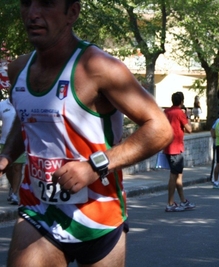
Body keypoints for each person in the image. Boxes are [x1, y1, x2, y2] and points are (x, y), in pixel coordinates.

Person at [1, 1, 173, 266]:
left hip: (99, 216)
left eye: (46, 4)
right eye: (26, 3)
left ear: (72, 12)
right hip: (39, 209)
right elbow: (26, 119)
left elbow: (160, 129)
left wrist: (94, 166)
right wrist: (6, 156)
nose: (33, 13)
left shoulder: (99, 67)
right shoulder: (19, 70)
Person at [163, 92, 196, 212]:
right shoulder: (180, 113)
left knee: (178, 176)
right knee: (173, 175)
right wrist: (187, 116)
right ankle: (170, 203)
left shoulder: (166, 112)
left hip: (167, 146)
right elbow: (189, 129)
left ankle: (183, 201)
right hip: (176, 148)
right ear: (182, 101)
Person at [0, 98, 25, 205]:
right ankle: (12, 186)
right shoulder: (2, 105)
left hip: (20, 142)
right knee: (7, 169)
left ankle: (14, 193)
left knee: (17, 167)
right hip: (4, 142)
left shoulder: (23, 102)